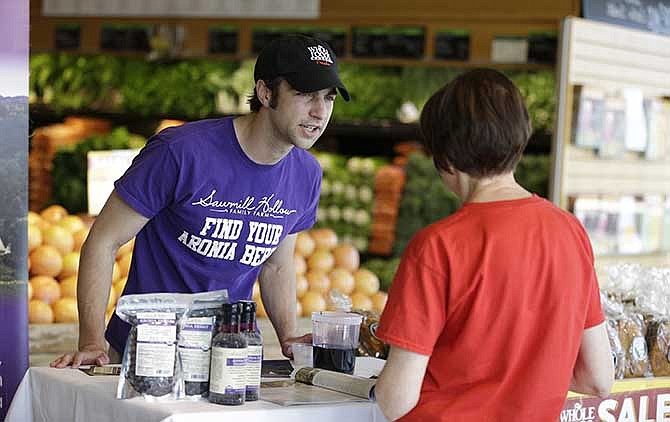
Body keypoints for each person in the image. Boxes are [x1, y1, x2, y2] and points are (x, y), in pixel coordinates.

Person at [51, 35, 350, 368]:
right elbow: (103, 240)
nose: (319, 112)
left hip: (230, 357)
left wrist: (289, 336)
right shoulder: (181, 151)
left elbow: (277, 265)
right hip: (147, 354)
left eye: (328, 98)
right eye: (305, 94)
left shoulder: (306, 174)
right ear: (266, 93)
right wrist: (92, 341)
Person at [373, 69, 613, 421]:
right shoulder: (570, 232)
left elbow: (395, 400)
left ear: (446, 158)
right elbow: (598, 379)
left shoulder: (437, 246)